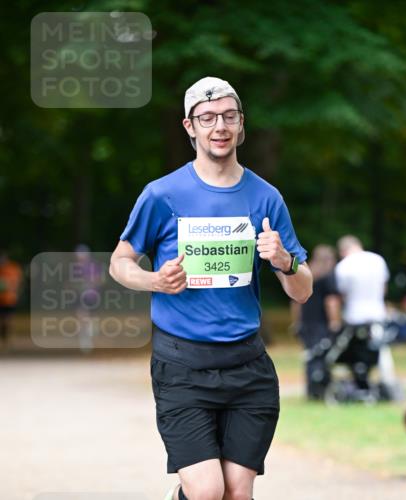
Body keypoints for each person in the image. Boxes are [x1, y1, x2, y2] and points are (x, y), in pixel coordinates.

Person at [109, 76, 312, 500]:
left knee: (236, 494)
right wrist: (155, 281)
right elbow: (119, 263)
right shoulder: (161, 195)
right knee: (206, 492)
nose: (218, 126)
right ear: (190, 127)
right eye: (207, 118)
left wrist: (284, 260)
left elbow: (302, 291)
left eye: (228, 117)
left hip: (247, 366)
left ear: (241, 125)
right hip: (181, 365)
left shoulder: (266, 197)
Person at [333, 235, 390, 391]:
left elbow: (342, 294)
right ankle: (387, 381)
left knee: (356, 352)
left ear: (343, 250)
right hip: (377, 312)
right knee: (381, 350)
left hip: (354, 315)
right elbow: (383, 288)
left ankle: (358, 382)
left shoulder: (343, 266)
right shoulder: (378, 260)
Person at [290, 244, 341, 400]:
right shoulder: (328, 276)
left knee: (310, 356)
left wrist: (296, 322)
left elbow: (296, 301)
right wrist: (335, 322)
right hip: (321, 323)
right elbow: (331, 301)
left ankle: (311, 390)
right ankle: (320, 390)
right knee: (322, 356)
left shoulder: (305, 274)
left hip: (306, 323)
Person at [0, 250, 23, 348]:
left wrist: (15, 292)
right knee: (4, 321)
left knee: (8, 320)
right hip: (2, 299)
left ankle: (8, 340)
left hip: (9, 299)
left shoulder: (13, 268)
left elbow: (17, 283)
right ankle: (4, 340)